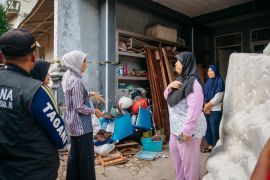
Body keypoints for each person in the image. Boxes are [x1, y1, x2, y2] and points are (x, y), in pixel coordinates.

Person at [0, 29, 67, 179]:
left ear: (2, 56)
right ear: (33, 57)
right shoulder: (36, 91)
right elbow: (61, 138)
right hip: (35, 170)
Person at [164, 51, 207, 180]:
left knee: (189, 163)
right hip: (175, 129)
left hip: (187, 131)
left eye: (179, 61)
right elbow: (168, 98)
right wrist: (169, 87)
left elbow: (195, 109)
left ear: (186, 63)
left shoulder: (194, 84)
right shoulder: (181, 81)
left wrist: (187, 131)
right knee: (177, 157)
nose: (176, 63)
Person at [61, 50, 101, 180]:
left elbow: (76, 96)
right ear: (76, 63)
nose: (86, 64)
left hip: (73, 126)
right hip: (82, 126)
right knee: (86, 160)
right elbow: (79, 107)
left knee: (75, 157)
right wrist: (94, 111)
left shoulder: (69, 76)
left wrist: (91, 93)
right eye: (84, 61)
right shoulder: (77, 81)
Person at [201, 64, 225, 153]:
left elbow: (219, 96)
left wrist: (207, 106)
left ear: (216, 71)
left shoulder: (219, 81)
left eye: (211, 70)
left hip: (215, 110)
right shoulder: (208, 82)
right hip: (206, 110)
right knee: (207, 128)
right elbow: (204, 94)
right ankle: (210, 145)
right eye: (208, 71)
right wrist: (205, 106)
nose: (209, 72)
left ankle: (216, 147)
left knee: (215, 129)